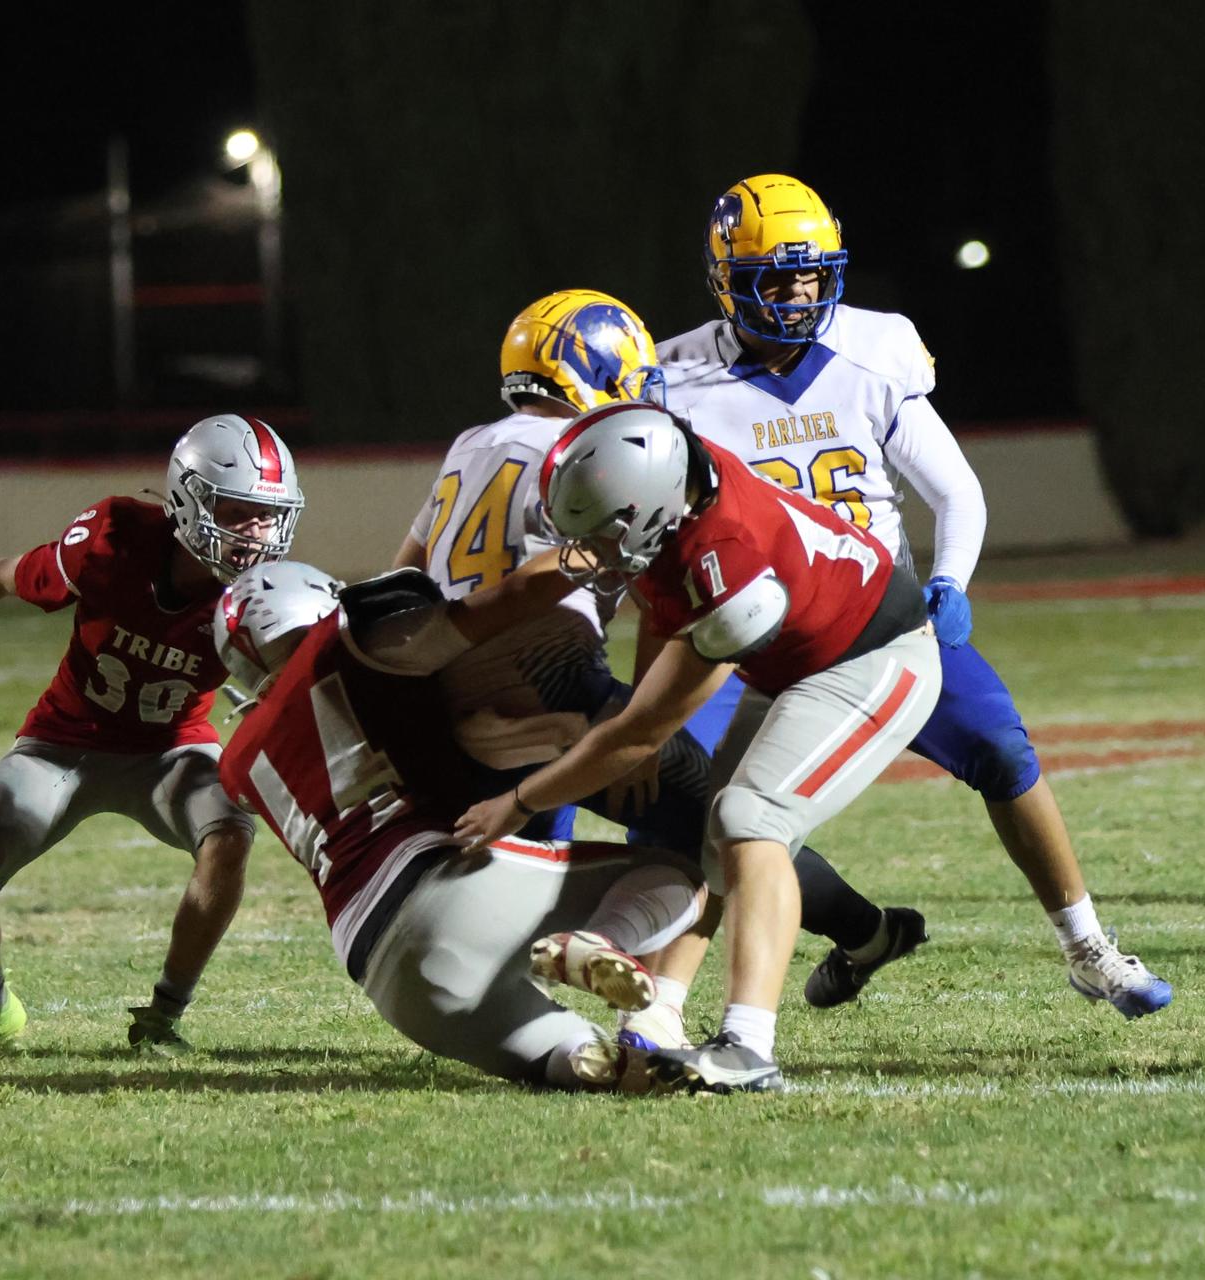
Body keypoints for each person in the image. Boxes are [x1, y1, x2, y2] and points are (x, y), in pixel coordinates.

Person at [650, 173, 1170, 1017]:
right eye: (775, 279)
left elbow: (955, 491)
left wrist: (947, 583)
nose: (798, 294)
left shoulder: (873, 349)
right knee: (694, 823)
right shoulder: (670, 381)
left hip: (875, 622)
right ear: (724, 281)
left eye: (812, 274)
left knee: (1002, 752)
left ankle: (1088, 947)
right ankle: (822, 947)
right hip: (752, 642)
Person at [393, 288, 920, 1046]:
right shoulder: (593, 456)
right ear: (598, 366)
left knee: (533, 858)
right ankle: (846, 934)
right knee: (724, 825)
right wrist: (624, 715)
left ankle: (575, 975)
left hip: (450, 689)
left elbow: (407, 572)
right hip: (550, 685)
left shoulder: (471, 443)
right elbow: (581, 577)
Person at [455, 402, 943, 1093]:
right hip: (798, 656)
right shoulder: (673, 483)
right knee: (712, 831)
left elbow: (640, 732)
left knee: (750, 819)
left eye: (602, 532)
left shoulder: (724, 562)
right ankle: (662, 1017)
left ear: (648, 508)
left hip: (876, 657)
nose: (591, 552)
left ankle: (748, 1046)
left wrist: (518, 800)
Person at [0, 415, 303, 1057]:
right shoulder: (112, 540)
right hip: (64, 741)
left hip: (172, 746)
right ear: (188, 498)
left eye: (269, 516)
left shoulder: (270, 594)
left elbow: (308, 688)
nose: (255, 534)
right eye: (239, 511)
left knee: (230, 836)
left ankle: (163, 1016)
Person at [213, 559, 706, 1090]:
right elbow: (501, 604)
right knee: (679, 875)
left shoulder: (236, 761)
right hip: (433, 883)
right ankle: (599, 939)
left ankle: (594, 1059)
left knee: (577, 1060)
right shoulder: (352, 641)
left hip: (380, 971)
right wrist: (589, 555)